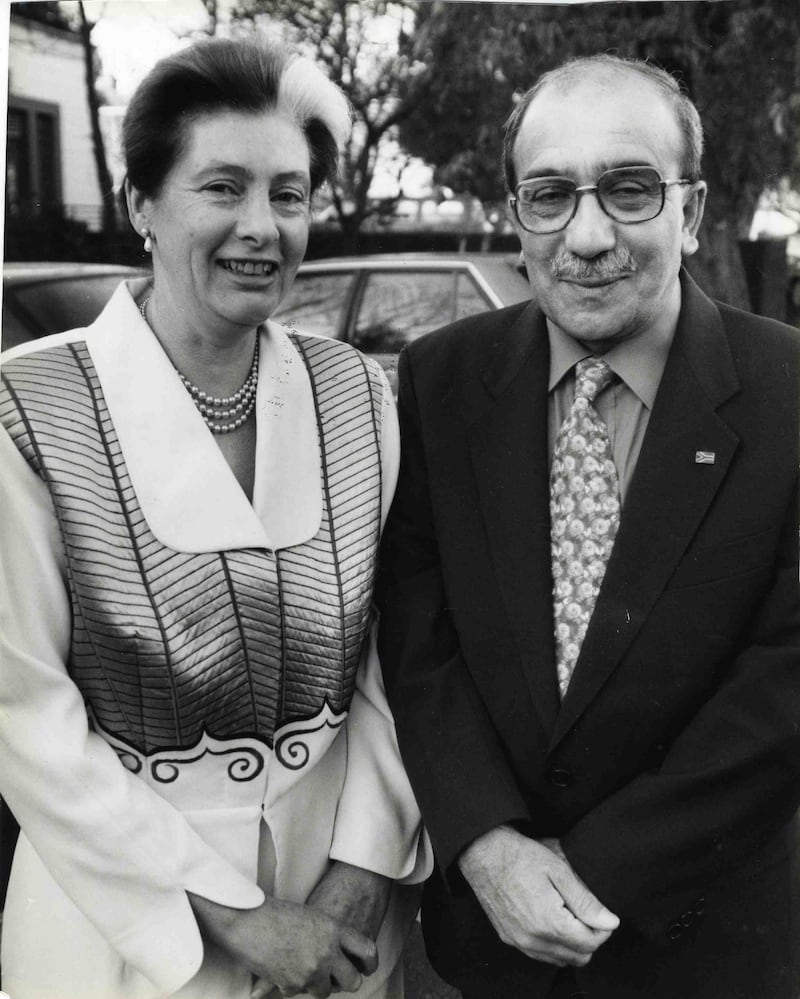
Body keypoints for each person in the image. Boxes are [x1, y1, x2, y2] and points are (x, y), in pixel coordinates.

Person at [0, 37, 430, 999]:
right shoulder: (29, 408)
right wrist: (241, 917)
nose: (262, 226)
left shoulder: (358, 391)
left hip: (344, 922)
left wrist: (361, 871)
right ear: (138, 204)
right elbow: (21, 713)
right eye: (222, 187)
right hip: (123, 928)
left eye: (290, 194)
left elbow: (400, 659)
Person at [377, 53, 799, 999]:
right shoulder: (440, 380)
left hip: (708, 945)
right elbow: (418, 630)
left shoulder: (788, 392)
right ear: (517, 213)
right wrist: (485, 842)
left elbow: (786, 680)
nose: (589, 234)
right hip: (489, 949)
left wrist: (594, 871)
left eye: (630, 189)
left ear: (689, 213)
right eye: (551, 194)